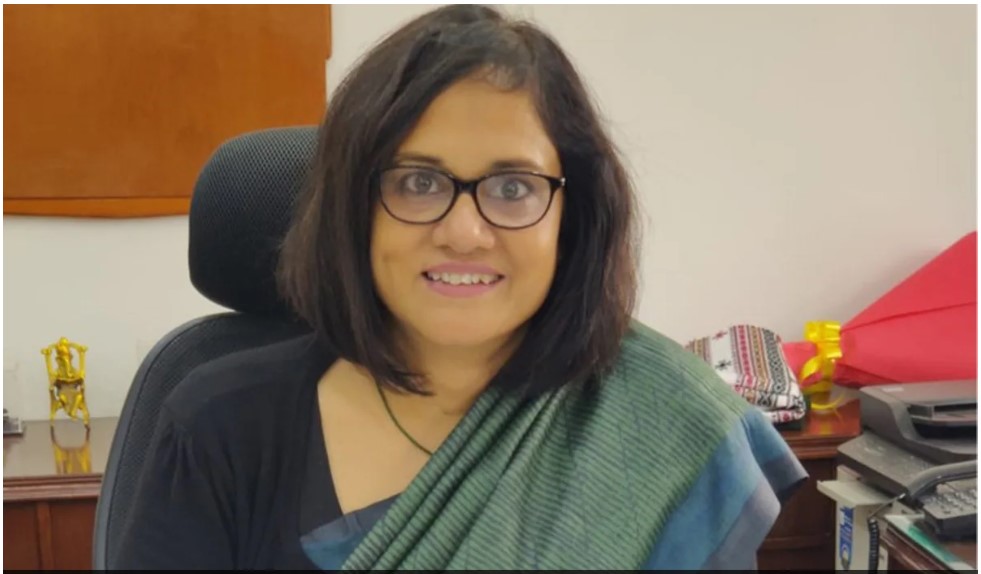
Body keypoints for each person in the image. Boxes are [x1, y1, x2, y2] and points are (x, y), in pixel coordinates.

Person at [118, 5, 806, 570]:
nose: (464, 232)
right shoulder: (218, 428)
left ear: (572, 218)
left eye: (513, 187)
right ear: (354, 208)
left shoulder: (659, 428)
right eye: (418, 182)